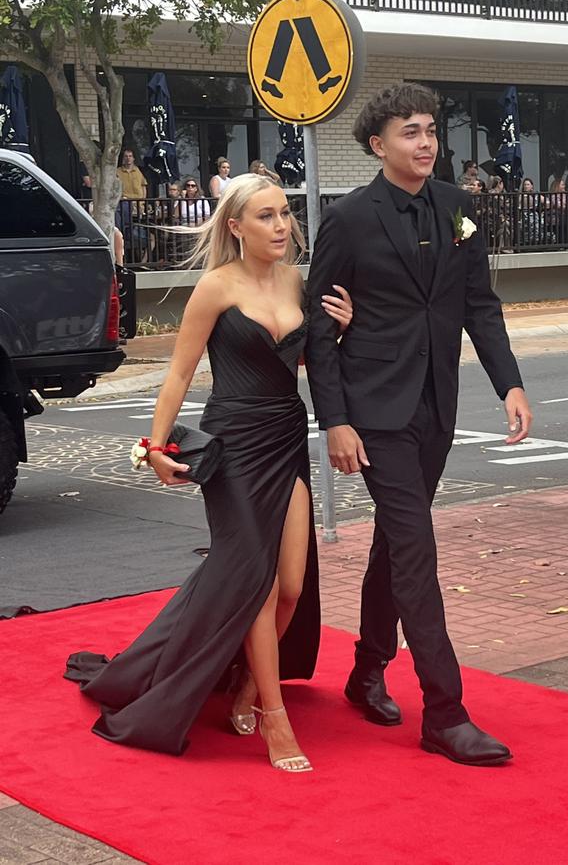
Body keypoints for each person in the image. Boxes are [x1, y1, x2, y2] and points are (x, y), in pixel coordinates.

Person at [64, 174, 354, 771]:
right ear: (235, 226)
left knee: (293, 585)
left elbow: (312, 358)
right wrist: (155, 445)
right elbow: (178, 373)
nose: (282, 226)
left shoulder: (298, 281)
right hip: (236, 447)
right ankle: (275, 719)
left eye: (285, 215)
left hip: (285, 437)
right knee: (257, 581)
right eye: (268, 217)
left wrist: (341, 329)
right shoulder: (215, 288)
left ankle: (249, 683)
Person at [305, 83, 532, 768]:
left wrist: (510, 382)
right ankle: (446, 711)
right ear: (379, 144)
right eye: (410, 132)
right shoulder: (348, 218)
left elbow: (478, 304)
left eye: (431, 130)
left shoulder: (458, 207)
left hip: (436, 403)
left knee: (395, 545)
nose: (426, 142)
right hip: (375, 412)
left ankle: (367, 666)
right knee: (417, 549)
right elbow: (318, 329)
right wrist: (336, 422)